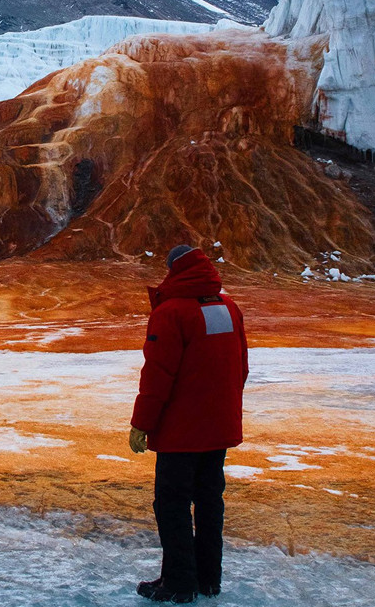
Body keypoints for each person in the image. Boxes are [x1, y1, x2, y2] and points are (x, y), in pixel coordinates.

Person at [129, 245, 248, 603]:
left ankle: (179, 583)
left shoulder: (171, 313)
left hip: (181, 433)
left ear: (173, 271)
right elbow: (240, 367)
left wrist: (141, 424)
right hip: (218, 429)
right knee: (210, 501)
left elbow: (158, 375)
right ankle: (209, 579)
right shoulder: (229, 308)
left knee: (172, 503)